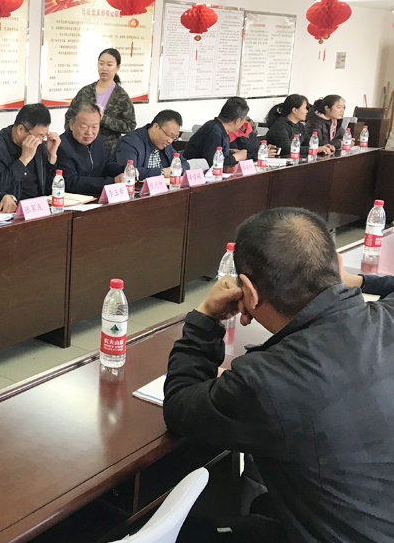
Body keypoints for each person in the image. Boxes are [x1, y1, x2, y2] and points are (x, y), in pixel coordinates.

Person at [164, 207, 394, 543]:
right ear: (335, 264)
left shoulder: (266, 380)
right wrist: (358, 282)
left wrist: (206, 318)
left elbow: (180, 406)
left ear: (249, 292)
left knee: (196, 532)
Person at [0, 103, 61, 201]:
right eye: (39, 136)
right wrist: (23, 160)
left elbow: (49, 190)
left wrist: (52, 156)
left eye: (44, 136)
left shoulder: (39, 146)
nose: (40, 141)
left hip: (38, 206)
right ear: (20, 129)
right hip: (12, 207)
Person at [64, 48, 137, 154]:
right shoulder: (86, 91)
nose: (104, 68)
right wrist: (72, 139)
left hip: (108, 152)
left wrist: (104, 119)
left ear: (117, 68)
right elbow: (69, 117)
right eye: (101, 64)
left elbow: (130, 125)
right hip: (81, 150)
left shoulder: (121, 96)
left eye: (109, 65)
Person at [56, 102, 125, 196]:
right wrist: (112, 181)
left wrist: (125, 170)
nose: (89, 132)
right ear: (72, 124)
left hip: (97, 196)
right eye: (84, 127)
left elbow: (106, 164)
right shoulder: (62, 145)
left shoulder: (97, 139)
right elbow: (71, 182)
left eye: (95, 127)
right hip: (73, 199)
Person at [113, 109, 189, 180]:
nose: (170, 141)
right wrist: (162, 172)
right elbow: (129, 172)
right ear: (155, 127)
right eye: (169, 135)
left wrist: (178, 170)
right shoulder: (130, 142)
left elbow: (184, 163)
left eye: (174, 138)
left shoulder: (165, 143)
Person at [183, 97, 250, 168]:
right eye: (244, 120)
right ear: (238, 121)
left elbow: (212, 151)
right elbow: (213, 164)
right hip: (194, 171)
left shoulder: (217, 127)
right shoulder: (214, 132)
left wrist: (229, 151)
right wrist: (235, 157)